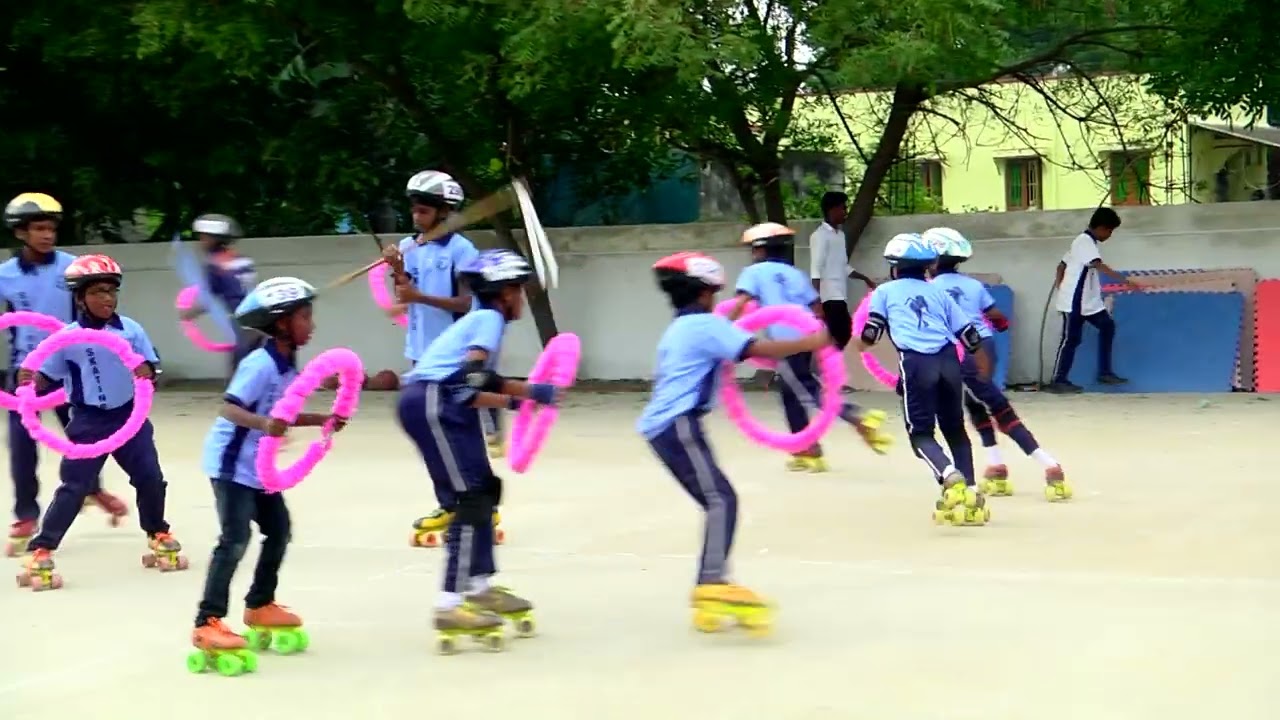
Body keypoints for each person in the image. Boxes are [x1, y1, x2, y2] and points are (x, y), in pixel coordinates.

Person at [638, 251, 829, 633]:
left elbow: (729, 338)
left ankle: (709, 584)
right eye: (714, 292)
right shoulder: (705, 326)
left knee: (717, 500)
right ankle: (711, 583)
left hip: (668, 427)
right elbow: (758, 349)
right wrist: (813, 340)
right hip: (679, 425)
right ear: (704, 293)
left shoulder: (685, 327)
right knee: (721, 500)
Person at [397, 250, 552, 650]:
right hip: (431, 403)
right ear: (504, 293)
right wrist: (526, 394)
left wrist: (523, 398)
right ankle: (449, 602)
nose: (521, 298)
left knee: (484, 490)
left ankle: (480, 587)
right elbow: (473, 378)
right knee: (469, 500)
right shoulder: (489, 319)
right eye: (518, 290)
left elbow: (470, 387)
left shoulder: (479, 320)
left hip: (441, 403)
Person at [191, 277, 335, 664]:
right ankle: (207, 621)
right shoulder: (259, 363)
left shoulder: (287, 366)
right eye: (305, 317)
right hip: (230, 465)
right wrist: (263, 424)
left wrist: (321, 419)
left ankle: (259, 604)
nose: (312, 325)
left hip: (258, 467)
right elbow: (229, 407)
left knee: (279, 529)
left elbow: (281, 416)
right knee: (235, 538)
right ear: (282, 323)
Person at [16, 255, 181, 589]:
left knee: (151, 478)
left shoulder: (131, 330)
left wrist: (149, 371)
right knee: (75, 487)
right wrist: (28, 383)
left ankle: (157, 533)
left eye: (111, 291)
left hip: (130, 416)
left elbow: (152, 367)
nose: (107, 298)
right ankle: (41, 549)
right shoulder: (67, 338)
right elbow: (46, 377)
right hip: (89, 421)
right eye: (97, 292)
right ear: (80, 298)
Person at [382, 172, 510, 545]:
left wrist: (418, 297)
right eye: (414, 209)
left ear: (444, 211)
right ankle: (452, 503)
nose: (416, 216)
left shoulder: (461, 251)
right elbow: (405, 290)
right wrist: (397, 269)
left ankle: (479, 504)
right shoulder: (409, 245)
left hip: (453, 359)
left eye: (423, 210)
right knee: (433, 438)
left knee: (460, 433)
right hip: (421, 355)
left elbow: (468, 304)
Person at [1, 194, 125, 556]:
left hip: (68, 366)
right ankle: (26, 514)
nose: (47, 235)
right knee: (21, 445)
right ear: (20, 233)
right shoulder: (5, 275)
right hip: (25, 371)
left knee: (84, 435)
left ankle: (92, 487)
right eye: (39, 228)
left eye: (51, 229)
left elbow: (95, 314)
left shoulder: (74, 268)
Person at [922, 227, 1072, 502]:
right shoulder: (974, 285)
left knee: (995, 407)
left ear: (932, 261)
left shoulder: (929, 289)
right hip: (985, 345)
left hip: (958, 351)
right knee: (978, 403)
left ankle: (1048, 464)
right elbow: (999, 319)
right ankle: (996, 465)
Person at [726, 222, 891, 472]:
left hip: (784, 342)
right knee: (791, 393)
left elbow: (740, 303)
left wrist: (722, 327)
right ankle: (806, 450)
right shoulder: (795, 274)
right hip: (806, 336)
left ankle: (857, 415)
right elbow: (817, 309)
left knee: (804, 389)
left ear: (759, 250)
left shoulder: (753, 273)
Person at [857, 234, 992, 526]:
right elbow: (969, 334)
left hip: (917, 364)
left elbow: (871, 332)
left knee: (920, 434)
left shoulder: (884, 291)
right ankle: (970, 493)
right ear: (927, 266)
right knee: (955, 429)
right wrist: (982, 364)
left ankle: (948, 474)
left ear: (895, 267)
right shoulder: (938, 292)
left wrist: (857, 347)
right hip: (949, 362)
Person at [1046, 207, 1141, 393]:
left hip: (1089, 302)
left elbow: (1061, 266)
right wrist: (1125, 281)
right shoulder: (1084, 241)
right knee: (1070, 339)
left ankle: (1104, 372)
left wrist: (1060, 285)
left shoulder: (1086, 242)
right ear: (1101, 227)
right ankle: (1058, 380)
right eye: (1110, 231)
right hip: (1074, 302)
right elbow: (1097, 264)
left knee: (1107, 326)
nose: (1110, 235)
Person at [178, 214, 261, 379]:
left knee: (239, 376)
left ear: (214, 239)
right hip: (261, 321)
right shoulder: (244, 260)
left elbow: (209, 298)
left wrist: (189, 313)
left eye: (203, 237)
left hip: (242, 322)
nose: (200, 241)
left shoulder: (215, 264)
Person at [808, 191, 879, 353]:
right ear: (832, 210)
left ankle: (838, 365)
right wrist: (817, 302)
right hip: (828, 298)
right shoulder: (819, 236)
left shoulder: (840, 235)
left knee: (840, 340)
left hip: (839, 296)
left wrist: (864, 278)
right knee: (844, 338)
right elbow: (816, 269)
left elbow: (843, 266)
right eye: (842, 208)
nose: (845, 212)